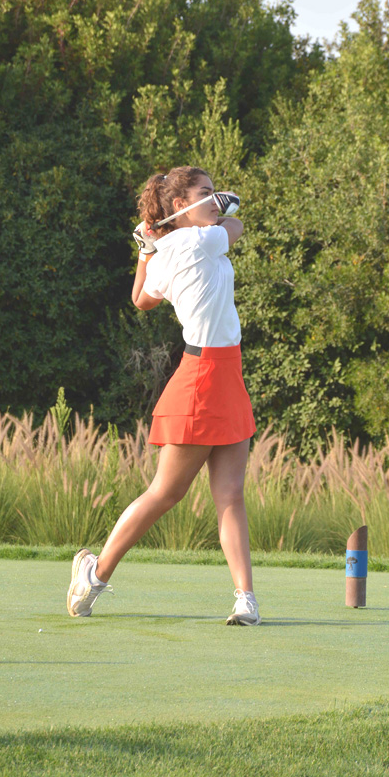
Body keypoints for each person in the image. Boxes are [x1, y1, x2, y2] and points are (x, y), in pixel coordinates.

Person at [66, 165, 261, 625]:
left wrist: (145, 250)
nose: (215, 200)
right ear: (180, 205)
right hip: (201, 377)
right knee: (165, 493)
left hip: (226, 373)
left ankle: (245, 599)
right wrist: (226, 209)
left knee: (231, 495)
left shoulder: (168, 249)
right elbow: (238, 225)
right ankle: (95, 574)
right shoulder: (200, 240)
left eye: (215, 194)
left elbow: (141, 299)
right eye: (206, 193)